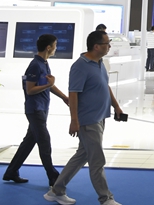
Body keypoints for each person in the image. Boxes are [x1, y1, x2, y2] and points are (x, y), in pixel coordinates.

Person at [45, 30, 125, 205]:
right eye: (107, 43)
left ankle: (56, 190)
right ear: (96, 46)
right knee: (97, 161)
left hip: (100, 117)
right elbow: (73, 94)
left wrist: (116, 106)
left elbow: (105, 86)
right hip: (88, 121)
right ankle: (106, 198)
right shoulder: (80, 66)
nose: (109, 46)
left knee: (82, 156)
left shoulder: (100, 62)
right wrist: (74, 120)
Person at [2, 34, 69, 187]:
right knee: (44, 142)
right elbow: (30, 90)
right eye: (55, 45)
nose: (56, 48)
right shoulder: (35, 65)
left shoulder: (44, 63)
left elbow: (49, 85)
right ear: (48, 47)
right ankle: (53, 176)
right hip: (35, 109)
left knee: (29, 142)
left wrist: (64, 97)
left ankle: (11, 171)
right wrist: (48, 85)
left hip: (41, 108)